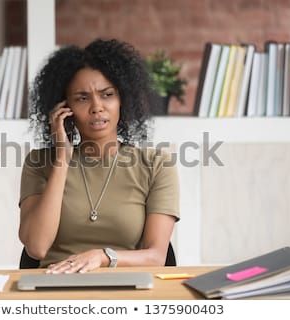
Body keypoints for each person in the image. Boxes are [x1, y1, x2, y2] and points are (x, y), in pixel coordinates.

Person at [18, 38, 179, 274]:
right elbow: (37, 248)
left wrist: (102, 257)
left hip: (128, 291)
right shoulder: (39, 163)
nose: (97, 107)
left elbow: (156, 257)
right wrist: (62, 158)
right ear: (64, 107)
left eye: (107, 95)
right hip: (55, 289)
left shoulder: (156, 165)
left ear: (123, 99)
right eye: (82, 98)